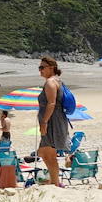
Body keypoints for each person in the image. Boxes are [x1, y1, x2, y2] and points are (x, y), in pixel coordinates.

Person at [37, 57, 71, 187]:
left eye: (42, 67)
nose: (40, 70)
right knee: (47, 152)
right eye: (39, 68)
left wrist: (44, 122)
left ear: (51, 67)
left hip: (52, 122)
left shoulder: (50, 82)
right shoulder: (58, 81)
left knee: (46, 153)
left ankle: (55, 182)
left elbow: (51, 103)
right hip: (56, 119)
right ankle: (54, 181)